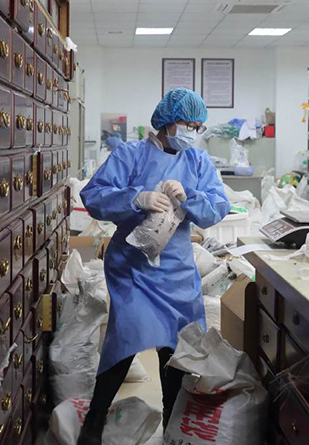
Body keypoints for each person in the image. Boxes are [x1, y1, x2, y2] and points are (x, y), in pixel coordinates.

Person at [77, 89, 230, 443]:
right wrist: (136, 197)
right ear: (167, 122)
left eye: (198, 126)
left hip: (177, 272)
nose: (193, 131)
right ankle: (94, 423)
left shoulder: (197, 161)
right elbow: (94, 195)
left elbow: (218, 207)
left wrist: (189, 197)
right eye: (188, 124)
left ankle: (171, 427)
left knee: (175, 350)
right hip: (133, 269)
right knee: (125, 338)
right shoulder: (130, 154)